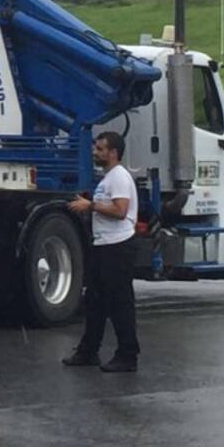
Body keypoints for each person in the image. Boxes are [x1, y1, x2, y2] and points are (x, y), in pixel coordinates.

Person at [61, 130, 141, 372]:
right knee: (95, 302)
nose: (95, 152)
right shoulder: (107, 178)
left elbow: (120, 211)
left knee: (120, 303)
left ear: (113, 153)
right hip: (103, 244)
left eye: (100, 149)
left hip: (118, 246)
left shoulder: (118, 177)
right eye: (95, 148)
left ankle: (128, 355)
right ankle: (88, 351)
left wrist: (91, 206)